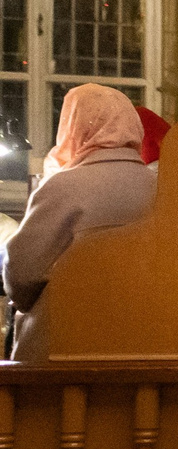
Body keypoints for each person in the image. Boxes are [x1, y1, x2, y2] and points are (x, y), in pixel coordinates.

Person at [3, 85, 157, 363]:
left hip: (62, 350)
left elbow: (22, 274)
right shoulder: (162, 186)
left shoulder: (64, 187)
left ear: (73, 126)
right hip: (141, 346)